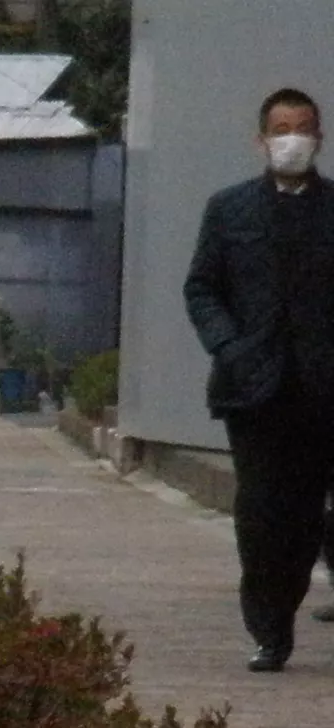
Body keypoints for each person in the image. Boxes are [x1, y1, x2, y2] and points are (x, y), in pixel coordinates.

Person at [184, 86, 334, 671]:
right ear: (261, 139)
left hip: (322, 388)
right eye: (281, 128)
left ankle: (291, 599)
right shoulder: (230, 209)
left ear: (319, 137)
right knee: (262, 512)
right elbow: (202, 287)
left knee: (305, 514)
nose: (292, 139)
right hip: (253, 387)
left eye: (303, 128)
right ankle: (270, 630)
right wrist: (229, 346)